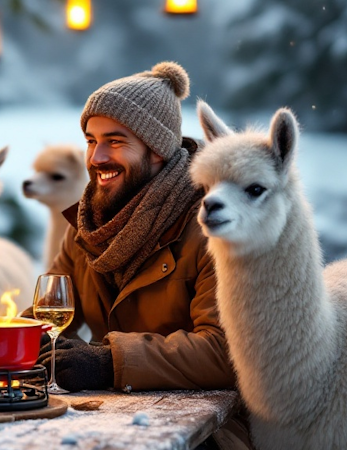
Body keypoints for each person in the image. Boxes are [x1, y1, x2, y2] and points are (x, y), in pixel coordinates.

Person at [37, 62, 250, 449]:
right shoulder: (87, 225)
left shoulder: (211, 226)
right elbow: (48, 316)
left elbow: (225, 351)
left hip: (206, 434)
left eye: (115, 142)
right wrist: (14, 342)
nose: (96, 157)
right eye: (90, 140)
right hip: (110, 422)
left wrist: (108, 362)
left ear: (157, 151)